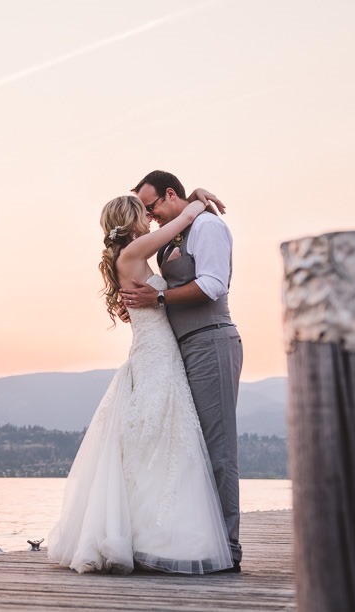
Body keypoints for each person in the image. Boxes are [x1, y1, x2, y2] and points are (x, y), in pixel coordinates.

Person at [47, 193, 233, 575]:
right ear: (132, 221)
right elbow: (178, 225)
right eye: (144, 214)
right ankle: (151, 538)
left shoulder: (132, 257)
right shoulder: (133, 251)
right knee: (157, 437)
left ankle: (147, 534)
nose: (150, 218)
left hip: (157, 349)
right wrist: (195, 200)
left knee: (155, 439)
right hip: (156, 352)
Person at [121, 170, 243, 572]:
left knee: (218, 447)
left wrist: (157, 296)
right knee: (192, 447)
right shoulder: (173, 234)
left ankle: (228, 548)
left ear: (170, 194)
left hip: (210, 339)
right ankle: (193, 540)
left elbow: (212, 284)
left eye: (152, 206)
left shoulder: (207, 224)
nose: (150, 215)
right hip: (180, 351)